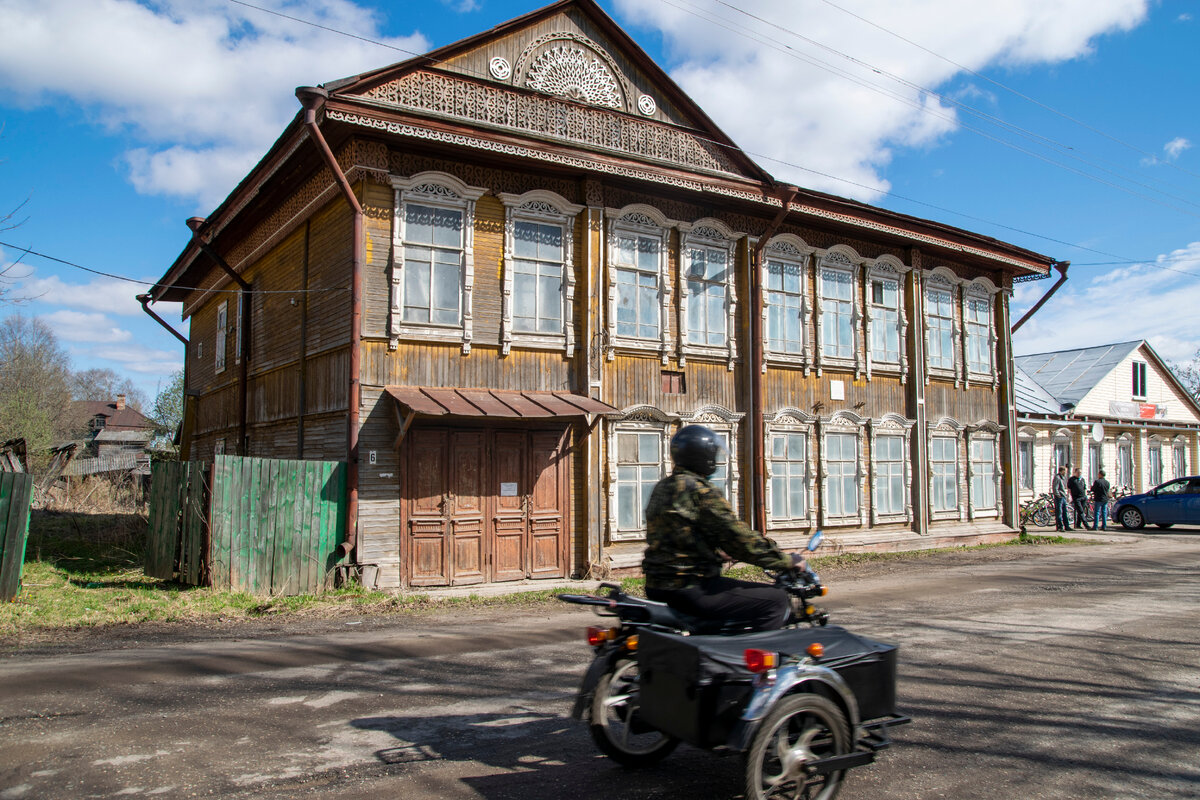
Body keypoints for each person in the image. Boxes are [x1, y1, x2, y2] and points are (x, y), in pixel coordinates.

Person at [642, 424, 804, 631]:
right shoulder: (701, 491)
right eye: (713, 454)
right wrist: (786, 560)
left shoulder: (664, 487)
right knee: (776, 600)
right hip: (690, 587)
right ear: (703, 456)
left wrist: (714, 553)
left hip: (657, 586)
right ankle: (760, 660)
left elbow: (675, 536)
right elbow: (739, 538)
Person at [1052, 466, 1070, 532]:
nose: (1066, 472)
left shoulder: (1062, 478)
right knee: (1059, 512)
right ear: (1062, 471)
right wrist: (1058, 495)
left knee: (1064, 512)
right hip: (1059, 498)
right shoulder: (1057, 478)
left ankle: (1066, 526)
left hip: (1063, 497)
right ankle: (1060, 526)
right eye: (1065, 471)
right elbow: (1055, 488)